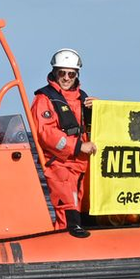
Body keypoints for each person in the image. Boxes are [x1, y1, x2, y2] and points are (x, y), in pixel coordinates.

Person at [31, 47, 95, 236]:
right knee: (68, 209)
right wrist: (77, 146)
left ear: (77, 75)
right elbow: (46, 133)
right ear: (54, 72)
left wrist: (99, 109)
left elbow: (91, 129)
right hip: (60, 164)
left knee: (85, 209)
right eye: (62, 73)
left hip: (82, 165)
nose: (66, 78)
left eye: (71, 74)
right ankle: (65, 237)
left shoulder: (83, 99)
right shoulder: (44, 99)